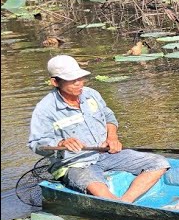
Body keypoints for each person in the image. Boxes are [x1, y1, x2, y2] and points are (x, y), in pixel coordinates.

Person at [28, 54, 170, 203]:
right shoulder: (45, 108)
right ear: (55, 82)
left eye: (80, 78)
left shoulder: (91, 94)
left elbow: (109, 116)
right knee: (102, 193)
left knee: (159, 163)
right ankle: (118, 204)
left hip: (106, 154)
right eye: (72, 80)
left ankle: (126, 202)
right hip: (75, 164)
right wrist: (61, 143)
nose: (79, 83)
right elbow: (36, 144)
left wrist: (112, 137)